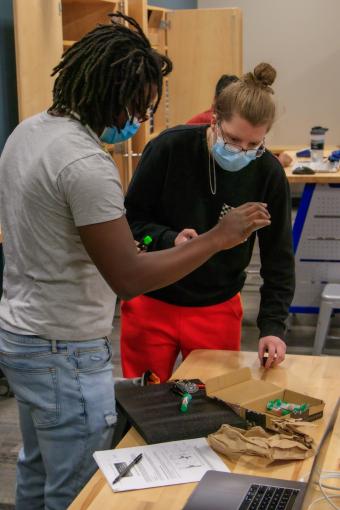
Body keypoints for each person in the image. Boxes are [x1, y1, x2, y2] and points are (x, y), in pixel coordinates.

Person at [0, 14, 270, 510]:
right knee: (78, 488)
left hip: (22, 334)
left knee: (37, 469)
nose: (141, 121)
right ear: (113, 93)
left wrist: (161, 242)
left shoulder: (28, 132)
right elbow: (126, 279)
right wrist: (216, 238)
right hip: (66, 351)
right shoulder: (86, 163)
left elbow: (70, 237)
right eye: (141, 107)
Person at [121, 62, 295, 383]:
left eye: (254, 146)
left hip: (217, 306)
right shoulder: (169, 148)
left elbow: (278, 259)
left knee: (210, 405)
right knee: (142, 402)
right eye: (231, 141)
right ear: (214, 119)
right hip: (153, 300)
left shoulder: (268, 173)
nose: (241, 152)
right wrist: (168, 239)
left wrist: (273, 328)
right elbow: (131, 222)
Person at [187, 73, 292, 168]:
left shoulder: (271, 172)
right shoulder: (177, 146)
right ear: (214, 122)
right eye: (233, 139)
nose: (240, 154)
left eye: (253, 144)